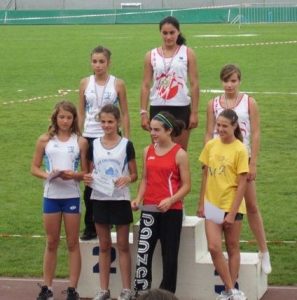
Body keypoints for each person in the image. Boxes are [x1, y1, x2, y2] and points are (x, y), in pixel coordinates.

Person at [204, 64, 272, 274]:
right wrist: (206, 159)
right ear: (221, 82)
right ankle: (220, 248)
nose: (229, 85)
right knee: (216, 201)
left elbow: (256, 132)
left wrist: (253, 162)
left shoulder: (249, 102)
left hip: (242, 159)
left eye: (233, 80)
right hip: (219, 161)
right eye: (226, 80)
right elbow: (208, 133)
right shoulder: (213, 103)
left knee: (250, 205)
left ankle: (264, 250)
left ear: (239, 81)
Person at [31, 101, 88, 300]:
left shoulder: (80, 142)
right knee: (52, 241)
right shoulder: (45, 140)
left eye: (69, 117)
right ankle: (47, 287)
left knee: (73, 242)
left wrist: (74, 175)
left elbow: (86, 172)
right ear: (55, 117)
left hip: (71, 195)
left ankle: (72, 288)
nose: (65, 121)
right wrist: (48, 175)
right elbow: (34, 167)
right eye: (61, 117)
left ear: (74, 119)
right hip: (51, 196)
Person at [131, 111, 191, 296]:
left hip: (171, 212)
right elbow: (145, 179)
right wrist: (138, 199)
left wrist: (171, 200)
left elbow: (187, 186)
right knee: (143, 255)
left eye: (157, 130)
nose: (153, 133)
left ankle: (167, 296)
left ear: (169, 130)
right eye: (151, 129)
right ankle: (142, 293)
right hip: (149, 211)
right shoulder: (147, 151)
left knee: (169, 258)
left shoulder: (179, 154)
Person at [83, 104, 137, 300]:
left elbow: (134, 174)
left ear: (118, 122)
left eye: (110, 122)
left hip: (120, 199)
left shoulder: (126, 145)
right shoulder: (94, 144)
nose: (107, 125)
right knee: (104, 244)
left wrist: (127, 179)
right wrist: (87, 178)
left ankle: (126, 290)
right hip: (99, 198)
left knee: (122, 244)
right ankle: (103, 290)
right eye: (103, 122)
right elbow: (90, 172)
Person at [78, 45, 130, 240]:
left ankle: (115, 220)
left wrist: (127, 137)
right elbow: (81, 111)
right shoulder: (85, 83)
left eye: (102, 61)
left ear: (108, 62)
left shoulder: (118, 84)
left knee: (115, 176)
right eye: (94, 61)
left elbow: (124, 112)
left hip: (112, 138)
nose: (98, 65)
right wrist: (79, 134)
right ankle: (91, 225)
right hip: (90, 135)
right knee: (90, 180)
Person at [197, 109, 249, 300]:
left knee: (233, 247)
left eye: (224, 126)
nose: (220, 129)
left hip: (232, 204)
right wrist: (202, 202)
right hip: (212, 204)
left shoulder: (240, 150)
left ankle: (230, 291)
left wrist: (232, 212)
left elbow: (242, 182)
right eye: (218, 125)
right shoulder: (211, 145)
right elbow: (205, 174)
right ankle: (231, 290)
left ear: (234, 126)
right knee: (213, 247)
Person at [140, 16, 199, 151]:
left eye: (172, 32)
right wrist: (143, 112)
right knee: (159, 150)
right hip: (158, 107)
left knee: (180, 152)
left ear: (178, 32)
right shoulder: (151, 55)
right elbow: (145, 85)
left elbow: (194, 84)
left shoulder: (188, 53)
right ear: (160, 33)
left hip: (181, 107)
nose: (168, 37)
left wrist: (194, 112)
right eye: (165, 33)